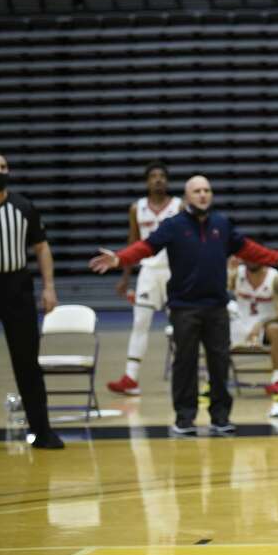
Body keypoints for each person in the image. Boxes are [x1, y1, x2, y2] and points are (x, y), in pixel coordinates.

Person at [90, 175, 278, 435]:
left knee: (219, 364)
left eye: (207, 190)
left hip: (217, 308)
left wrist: (277, 258)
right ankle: (184, 419)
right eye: (197, 191)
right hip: (184, 308)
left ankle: (221, 417)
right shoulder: (174, 225)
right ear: (187, 196)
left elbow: (248, 249)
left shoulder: (221, 225)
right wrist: (119, 259)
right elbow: (145, 247)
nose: (203, 195)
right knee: (185, 365)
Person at [0, 154, 62, 449]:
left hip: (16, 286)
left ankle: (42, 431)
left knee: (27, 362)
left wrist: (49, 287)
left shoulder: (23, 207)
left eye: (2, 167)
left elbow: (41, 247)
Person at [107, 162, 182, 396]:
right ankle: (131, 377)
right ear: (146, 181)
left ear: (167, 181)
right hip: (148, 272)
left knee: (181, 325)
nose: (158, 179)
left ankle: (184, 375)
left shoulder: (179, 206)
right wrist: (125, 276)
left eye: (162, 176)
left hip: (174, 271)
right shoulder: (136, 208)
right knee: (140, 323)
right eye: (153, 176)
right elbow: (133, 243)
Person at [228, 258, 278, 396]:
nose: (251, 260)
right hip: (240, 322)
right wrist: (229, 270)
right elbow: (221, 289)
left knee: (276, 329)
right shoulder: (237, 273)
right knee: (215, 327)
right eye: (248, 256)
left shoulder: (275, 278)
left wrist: (261, 324)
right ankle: (212, 382)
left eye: (254, 256)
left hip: (265, 325)